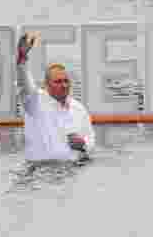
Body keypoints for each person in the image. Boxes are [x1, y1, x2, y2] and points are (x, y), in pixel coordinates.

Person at [16, 33, 95, 161]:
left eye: (66, 81)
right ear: (46, 85)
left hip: (72, 171)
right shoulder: (35, 102)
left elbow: (90, 139)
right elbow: (24, 84)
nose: (64, 85)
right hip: (41, 172)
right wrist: (22, 59)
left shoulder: (78, 108)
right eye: (58, 82)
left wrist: (84, 144)